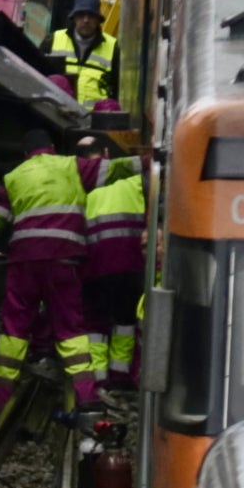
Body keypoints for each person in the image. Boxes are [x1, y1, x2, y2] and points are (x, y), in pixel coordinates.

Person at [0, 130, 104, 413]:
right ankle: (86, 396)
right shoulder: (70, 165)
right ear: (51, 148)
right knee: (71, 328)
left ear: (26, 154)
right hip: (64, 260)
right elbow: (118, 168)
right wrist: (151, 161)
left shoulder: (14, 177)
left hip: (23, 262)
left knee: (14, 328)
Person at [76, 136, 146, 391]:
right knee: (125, 319)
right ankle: (120, 374)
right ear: (106, 152)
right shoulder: (132, 179)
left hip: (94, 266)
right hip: (131, 264)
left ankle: (98, 376)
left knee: (95, 321)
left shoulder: (81, 184)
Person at [47, 0, 118, 106]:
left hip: (95, 120)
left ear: (98, 20)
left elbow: (118, 89)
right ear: (74, 18)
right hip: (57, 117)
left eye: (91, 16)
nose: (86, 20)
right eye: (81, 15)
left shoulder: (113, 47)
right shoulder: (52, 40)